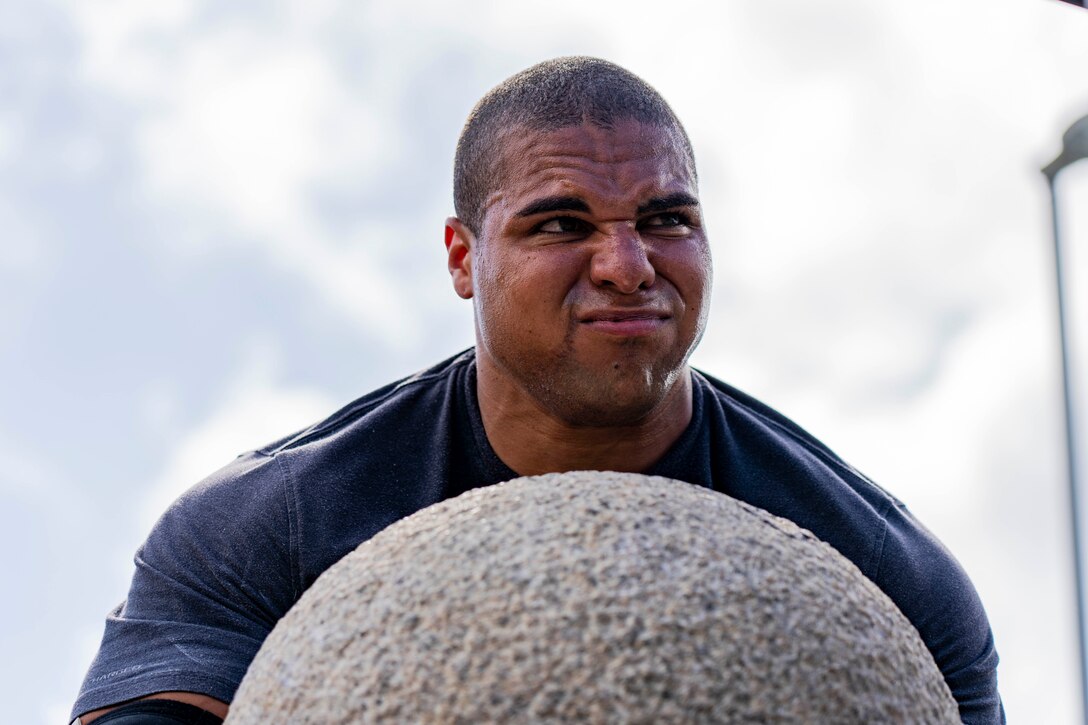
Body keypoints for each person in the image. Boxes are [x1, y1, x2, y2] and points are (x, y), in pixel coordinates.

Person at [72, 56, 1004, 724]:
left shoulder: (884, 574)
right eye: (562, 223)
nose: (629, 264)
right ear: (462, 259)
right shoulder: (265, 526)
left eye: (665, 218)